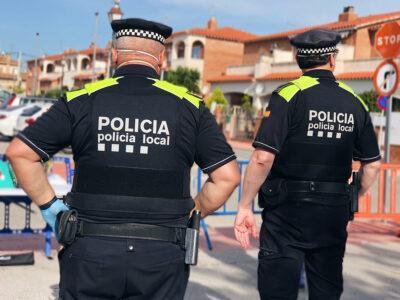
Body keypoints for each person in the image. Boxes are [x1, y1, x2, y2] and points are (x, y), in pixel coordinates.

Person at [6, 18, 241, 300]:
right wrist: (195, 212)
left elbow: (20, 153)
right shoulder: (190, 107)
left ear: (114, 54)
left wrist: (51, 207)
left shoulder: (82, 99)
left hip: (89, 248)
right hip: (162, 253)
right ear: (162, 58)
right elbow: (227, 177)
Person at [233, 28, 381, 300]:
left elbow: (263, 157)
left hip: (286, 212)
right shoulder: (354, 101)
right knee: (326, 289)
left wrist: (244, 205)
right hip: (332, 212)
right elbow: (371, 166)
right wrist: (351, 200)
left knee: (278, 289)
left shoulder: (288, 95)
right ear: (332, 60)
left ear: (298, 59)